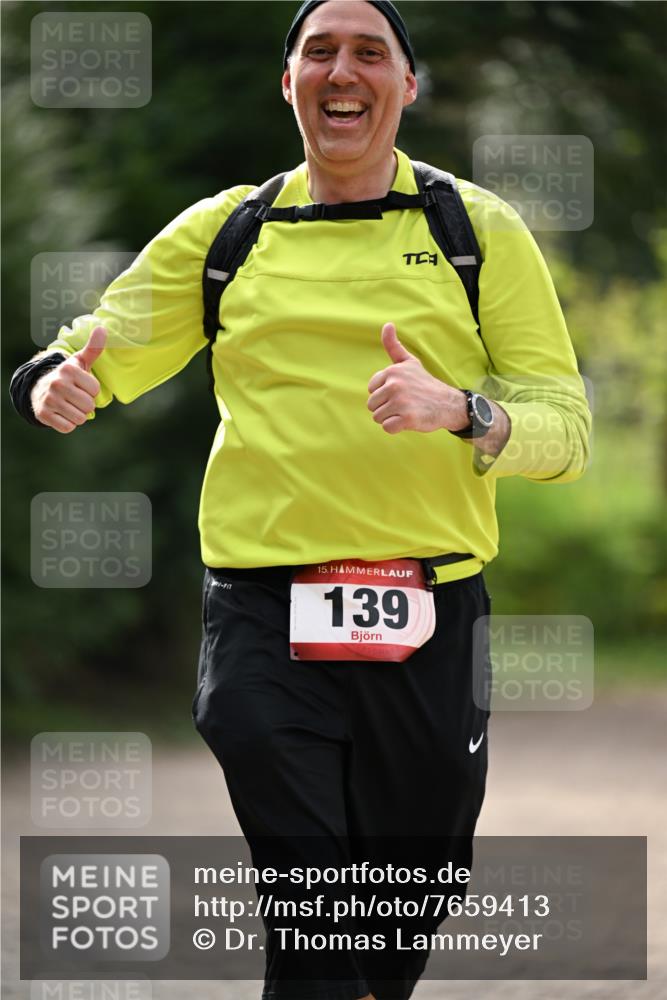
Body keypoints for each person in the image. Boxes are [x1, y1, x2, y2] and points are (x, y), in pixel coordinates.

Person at [10, 2, 591, 997]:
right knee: (317, 908)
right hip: (262, 615)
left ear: (407, 86)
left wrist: (462, 410)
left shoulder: (473, 231)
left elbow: (564, 428)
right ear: (288, 84)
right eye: (318, 52)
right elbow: (94, 348)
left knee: (400, 907)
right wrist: (50, 380)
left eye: (370, 53)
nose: (342, 71)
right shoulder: (225, 233)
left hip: (427, 612)